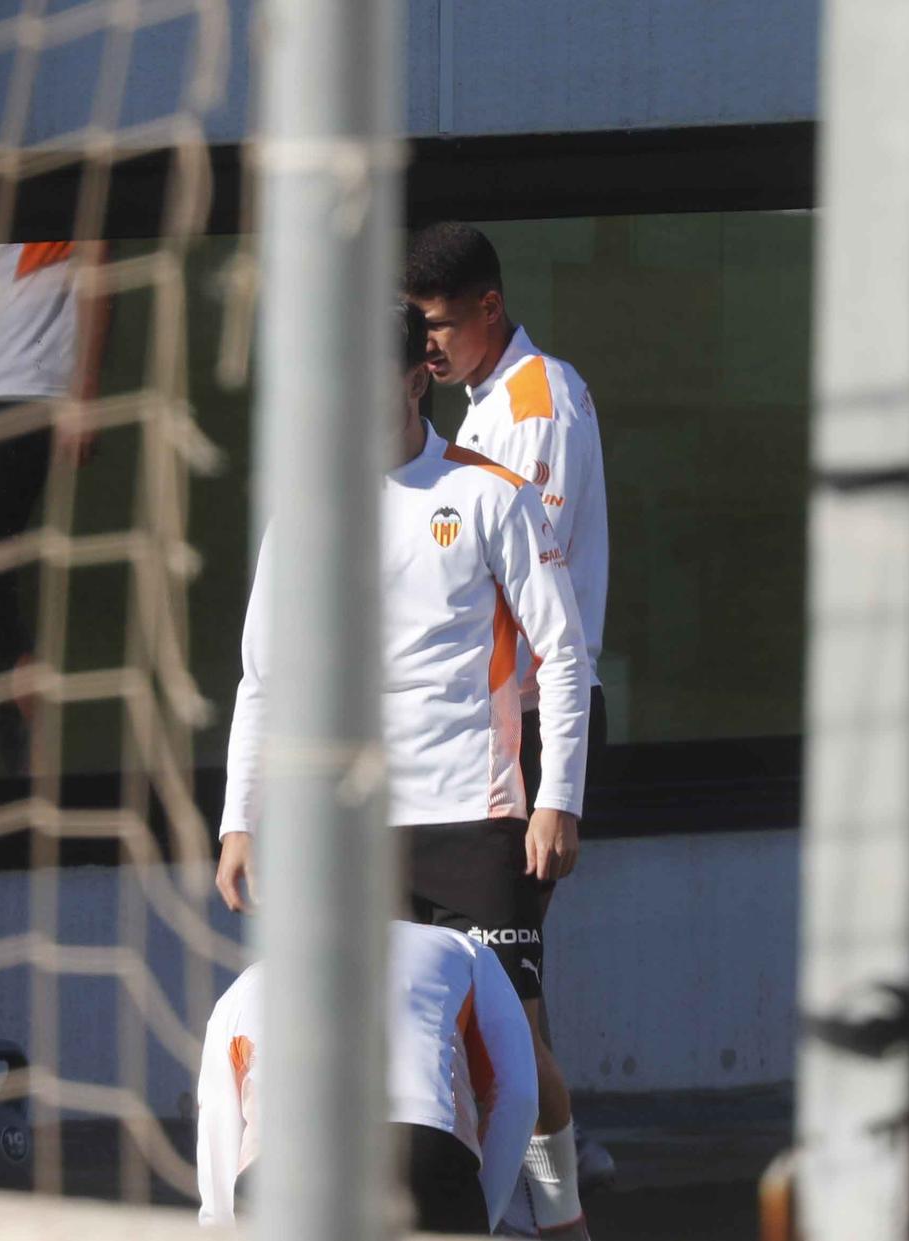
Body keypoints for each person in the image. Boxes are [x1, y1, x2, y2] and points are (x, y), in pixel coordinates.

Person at [218, 303, 594, 1237]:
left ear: (414, 375)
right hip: (352, 830)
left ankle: (562, 1221)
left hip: (476, 818)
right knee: (377, 1054)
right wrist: (239, 818)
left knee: (525, 1050)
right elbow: (262, 677)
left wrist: (559, 799)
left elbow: (563, 652)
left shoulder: (487, 492)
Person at [405, 222, 615, 1194]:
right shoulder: (483, 405)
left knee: (503, 986)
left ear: (489, 306)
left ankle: (549, 1188)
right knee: (489, 978)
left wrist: (554, 786)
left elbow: (540, 609)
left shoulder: (535, 404)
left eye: (440, 325)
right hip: (480, 730)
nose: (426, 348)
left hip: (524, 724)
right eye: (417, 330)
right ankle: (535, 1175)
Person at [194, 923, 536, 1233]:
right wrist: (481, 1215)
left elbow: (217, 1125)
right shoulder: (463, 949)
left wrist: (221, 1226)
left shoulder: (249, 983)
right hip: (421, 1155)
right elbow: (518, 1095)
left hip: (281, 1170)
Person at [0, 240, 110, 764]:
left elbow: (95, 253)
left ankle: (27, 753)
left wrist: (85, 389)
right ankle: (23, 753)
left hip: (25, 393)